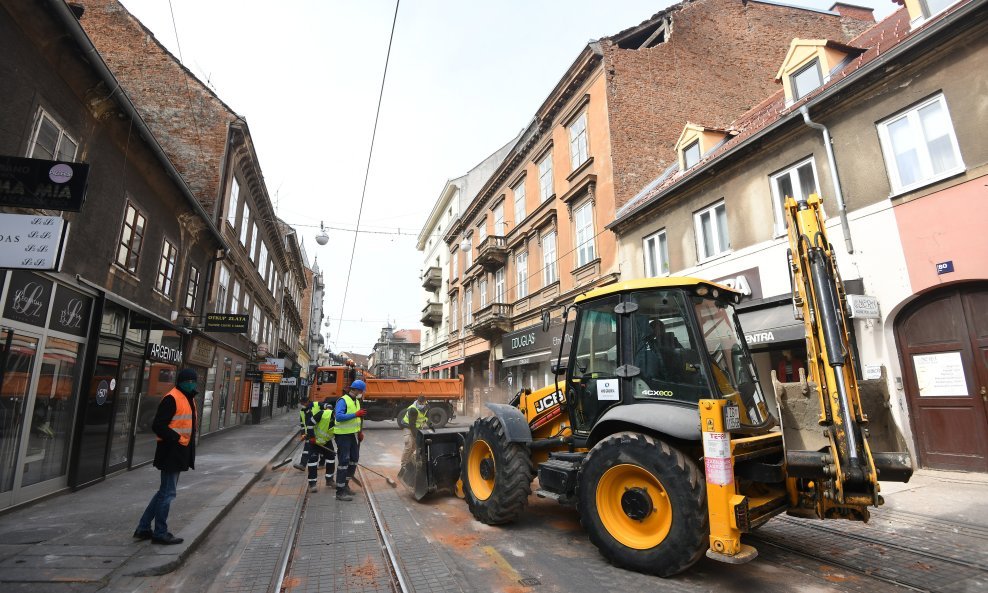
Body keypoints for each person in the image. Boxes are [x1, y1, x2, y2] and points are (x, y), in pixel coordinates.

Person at [133, 368, 198, 545]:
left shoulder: (188, 398)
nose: (193, 383)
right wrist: (176, 438)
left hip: (178, 452)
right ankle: (160, 532)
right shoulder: (173, 398)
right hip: (171, 452)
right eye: (190, 381)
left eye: (194, 381)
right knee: (168, 493)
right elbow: (158, 425)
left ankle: (144, 527)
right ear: (183, 381)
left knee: (164, 492)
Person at [333, 379, 367, 501]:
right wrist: (355, 414)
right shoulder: (343, 400)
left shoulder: (356, 401)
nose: (362, 393)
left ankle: (345, 485)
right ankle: (340, 491)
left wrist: (359, 432)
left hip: (352, 435)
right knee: (344, 462)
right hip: (342, 435)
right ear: (357, 390)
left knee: (354, 459)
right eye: (362, 391)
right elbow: (339, 416)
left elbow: (357, 420)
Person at [306, 397, 337, 493]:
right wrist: (311, 437)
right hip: (314, 441)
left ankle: (329, 480)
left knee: (331, 458)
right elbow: (310, 424)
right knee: (312, 461)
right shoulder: (323, 414)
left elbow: (338, 435)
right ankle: (312, 484)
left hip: (326, 442)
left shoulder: (340, 421)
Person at [400, 396, 429, 468]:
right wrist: (416, 436)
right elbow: (412, 424)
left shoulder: (427, 406)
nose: (421, 405)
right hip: (408, 426)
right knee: (408, 444)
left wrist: (430, 425)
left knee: (414, 447)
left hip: (417, 427)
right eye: (420, 403)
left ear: (425, 402)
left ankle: (408, 462)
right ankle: (403, 465)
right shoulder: (413, 409)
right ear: (417, 401)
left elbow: (427, 417)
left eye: (423, 403)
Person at [293, 394, 314, 471]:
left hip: (315, 432)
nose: (302, 405)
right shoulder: (302, 411)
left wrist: (309, 433)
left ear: (307, 402)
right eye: (301, 404)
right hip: (308, 433)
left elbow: (312, 423)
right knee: (307, 448)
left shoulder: (312, 408)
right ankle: (303, 464)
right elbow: (302, 424)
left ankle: (303, 464)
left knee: (312, 449)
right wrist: (303, 434)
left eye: (303, 404)